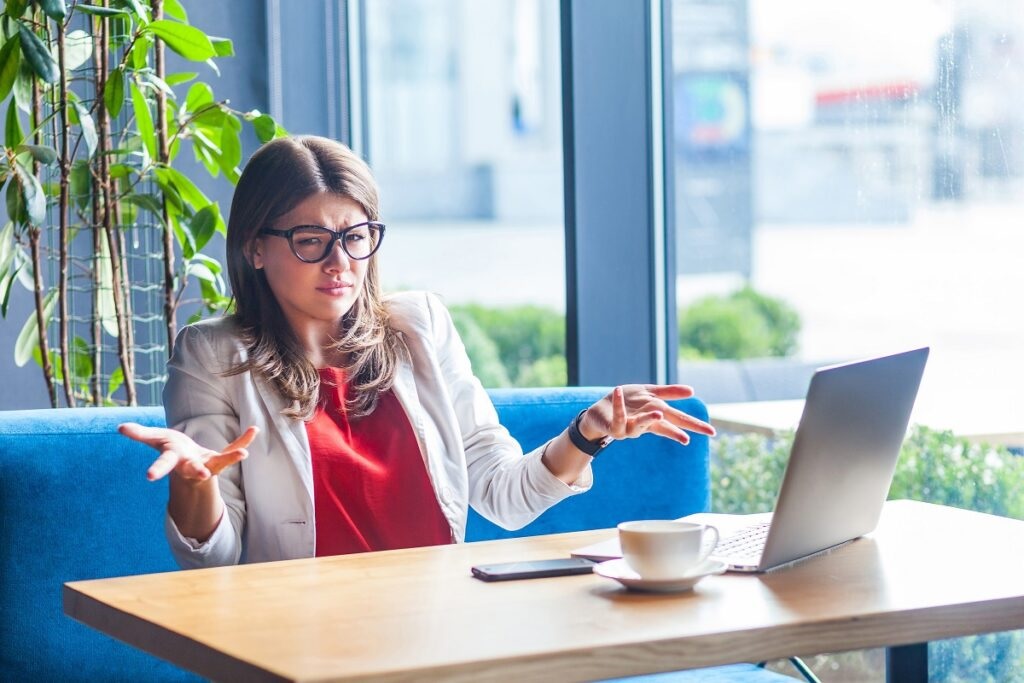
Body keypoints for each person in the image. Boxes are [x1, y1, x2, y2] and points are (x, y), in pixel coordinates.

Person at [119, 135, 716, 569]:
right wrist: (196, 484)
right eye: (310, 241)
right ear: (254, 248)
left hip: (438, 622)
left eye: (355, 238)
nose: (340, 263)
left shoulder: (420, 327)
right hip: (304, 634)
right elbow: (213, 562)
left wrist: (588, 433)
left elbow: (505, 496)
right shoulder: (212, 355)